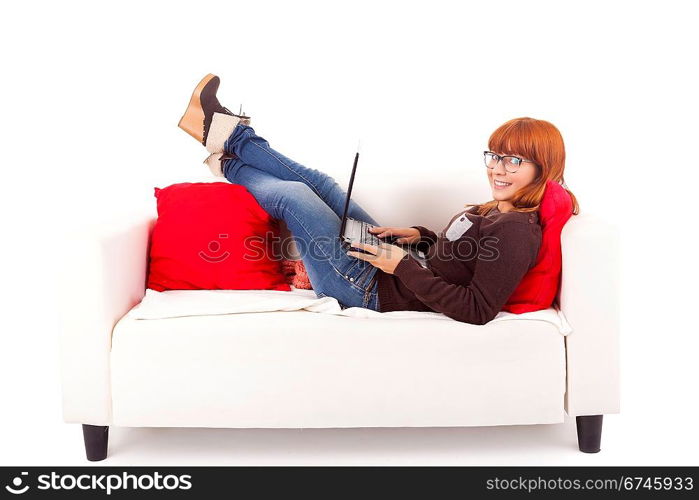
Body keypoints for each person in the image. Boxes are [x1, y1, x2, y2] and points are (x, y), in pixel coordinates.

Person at [178, 74, 578, 325]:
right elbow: (459, 257)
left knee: (296, 196)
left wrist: (402, 266)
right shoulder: (497, 209)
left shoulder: (516, 232)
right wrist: (418, 237)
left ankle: (228, 152)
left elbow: (477, 308)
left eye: (514, 161)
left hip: (368, 290)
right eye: (494, 156)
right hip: (392, 264)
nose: (498, 169)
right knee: (324, 184)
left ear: (543, 167)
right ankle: (227, 146)